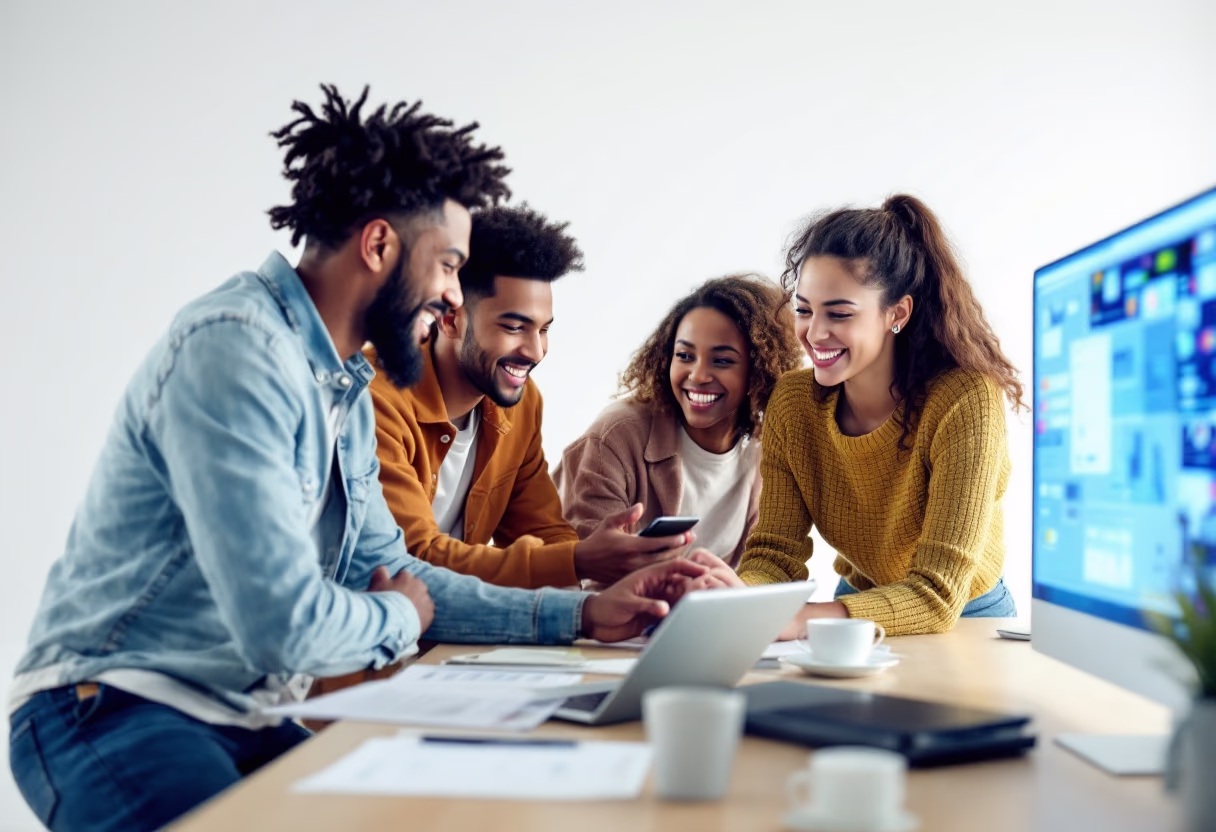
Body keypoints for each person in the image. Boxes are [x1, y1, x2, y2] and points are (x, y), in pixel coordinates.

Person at [6, 85, 714, 832]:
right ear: (379, 247)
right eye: (447, 266)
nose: (449, 299)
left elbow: (398, 570)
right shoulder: (236, 350)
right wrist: (397, 617)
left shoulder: (339, 380)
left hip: (241, 712)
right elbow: (285, 623)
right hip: (115, 705)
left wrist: (580, 615)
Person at [733, 194, 1025, 637]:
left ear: (897, 313)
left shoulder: (965, 401)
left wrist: (796, 621)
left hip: (966, 615)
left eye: (839, 313)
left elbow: (936, 595)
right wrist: (736, 598)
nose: (814, 333)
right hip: (855, 601)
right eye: (805, 310)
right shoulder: (793, 403)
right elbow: (774, 555)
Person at [368, 205, 693, 589]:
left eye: (543, 329)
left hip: (456, 629)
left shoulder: (521, 403)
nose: (536, 351)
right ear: (451, 318)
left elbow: (544, 532)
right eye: (515, 327)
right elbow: (413, 555)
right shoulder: (376, 399)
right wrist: (576, 561)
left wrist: (603, 591)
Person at [556, 275, 802, 568]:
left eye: (722, 360)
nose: (697, 375)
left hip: (697, 613)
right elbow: (588, 572)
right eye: (685, 355)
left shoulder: (764, 453)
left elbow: (758, 570)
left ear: (759, 370)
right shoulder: (616, 436)